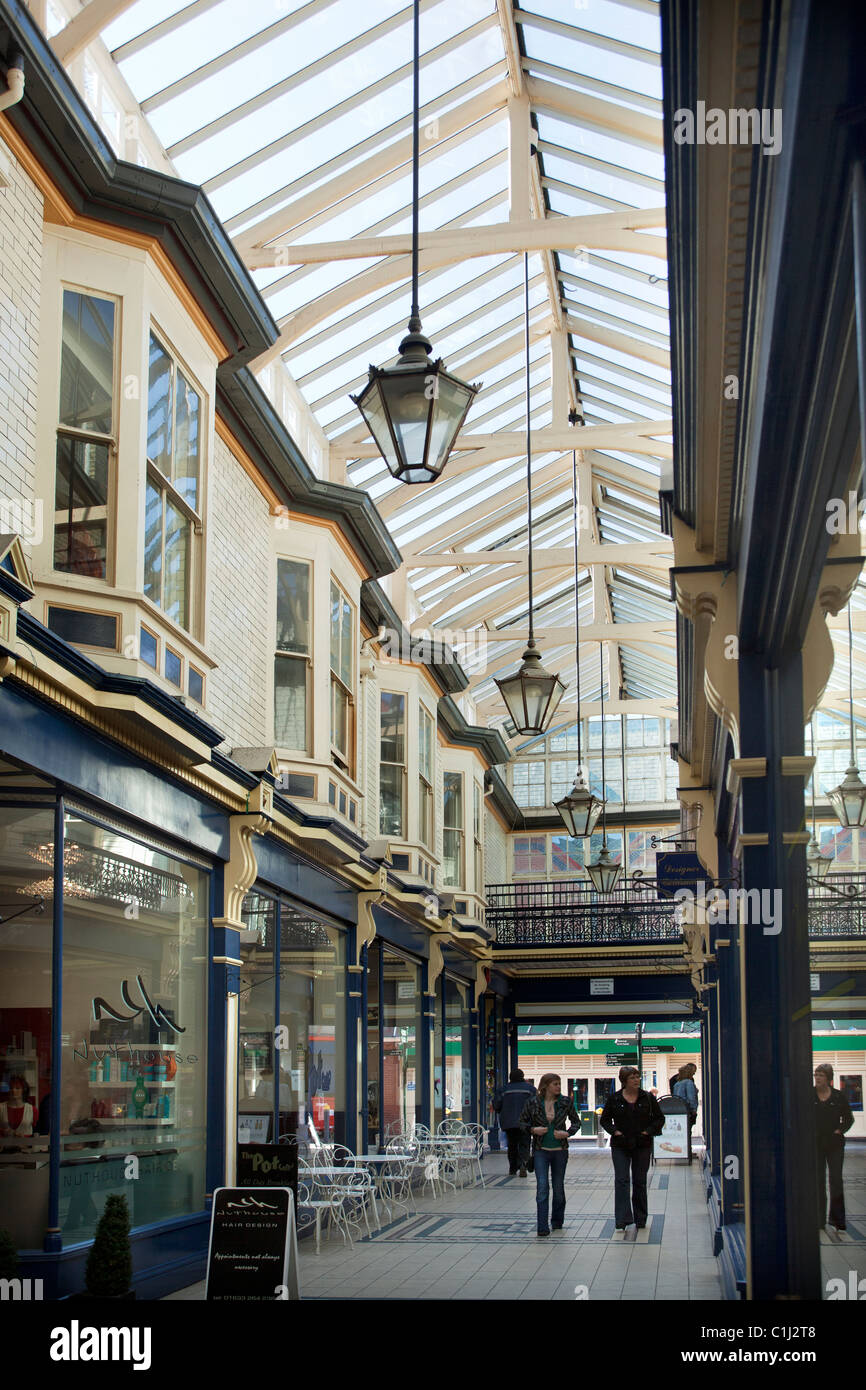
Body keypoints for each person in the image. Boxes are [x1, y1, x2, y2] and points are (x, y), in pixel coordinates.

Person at [600, 1066, 665, 1232]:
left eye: (637, 1077)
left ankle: (640, 1217)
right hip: (621, 1144)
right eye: (632, 1078)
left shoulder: (647, 1097)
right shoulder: (614, 1099)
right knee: (621, 1180)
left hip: (642, 1143)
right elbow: (605, 1120)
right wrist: (615, 1131)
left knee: (639, 1181)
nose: (636, 1080)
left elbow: (659, 1119)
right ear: (624, 1081)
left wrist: (647, 1132)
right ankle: (622, 1218)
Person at [519, 1072, 580, 1236]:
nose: (559, 1087)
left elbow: (576, 1121)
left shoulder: (565, 1102)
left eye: (559, 1084)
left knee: (558, 1188)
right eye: (555, 1084)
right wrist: (533, 1130)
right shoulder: (533, 1103)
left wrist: (567, 1133)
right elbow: (522, 1123)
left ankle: (557, 1221)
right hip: (540, 1150)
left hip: (560, 1150)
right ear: (545, 1086)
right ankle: (542, 1226)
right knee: (542, 1186)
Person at [814, 1063, 854, 1232]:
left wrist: (840, 1130)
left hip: (835, 1145)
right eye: (816, 1074)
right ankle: (818, 1219)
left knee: (835, 1180)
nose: (817, 1078)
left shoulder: (838, 1097)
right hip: (815, 1145)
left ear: (829, 1079)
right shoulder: (810, 1095)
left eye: (821, 1075)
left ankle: (837, 1219)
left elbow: (848, 1118)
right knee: (817, 1181)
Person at [493, 1068, 536, 1177]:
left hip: (509, 1123)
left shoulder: (503, 1090)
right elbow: (536, 1106)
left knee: (512, 1145)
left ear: (510, 1078)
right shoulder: (530, 1089)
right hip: (526, 1123)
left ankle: (512, 1168)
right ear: (523, 1076)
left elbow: (497, 1105)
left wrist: (502, 1111)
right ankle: (523, 1164)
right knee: (525, 1144)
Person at [673, 1064, 699, 1130]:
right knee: (688, 1131)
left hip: (679, 1110)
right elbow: (691, 1098)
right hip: (688, 1110)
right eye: (693, 1072)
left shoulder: (677, 1084)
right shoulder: (689, 1082)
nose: (694, 1073)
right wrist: (694, 1110)